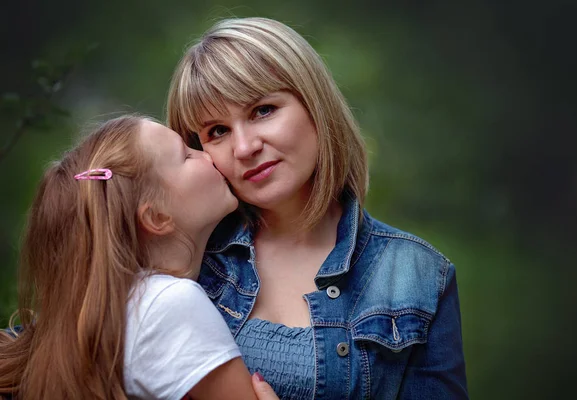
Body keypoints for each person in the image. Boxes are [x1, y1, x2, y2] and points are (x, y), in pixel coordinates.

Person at [167, 17, 469, 399]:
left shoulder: (417, 276)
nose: (244, 148)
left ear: (315, 105)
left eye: (262, 110)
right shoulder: (184, 264)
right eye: (217, 131)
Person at [0, 115, 278, 400]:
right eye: (186, 155)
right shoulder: (171, 304)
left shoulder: (104, 309)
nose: (207, 155)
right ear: (156, 217)